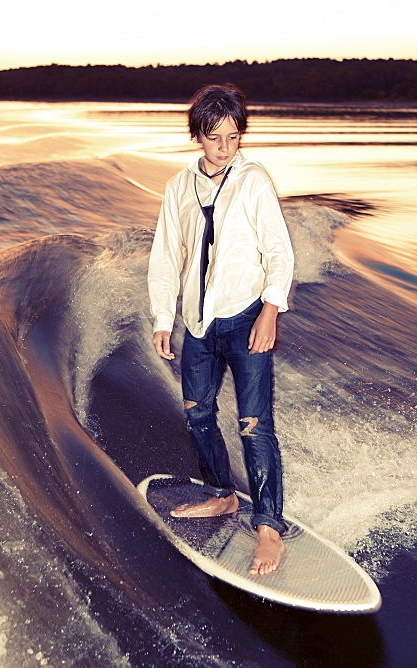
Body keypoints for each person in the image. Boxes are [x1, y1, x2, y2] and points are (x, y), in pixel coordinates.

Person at [148, 83, 295, 576]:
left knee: (254, 425)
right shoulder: (178, 188)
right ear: (198, 136)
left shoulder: (253, 181)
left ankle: (269, 526)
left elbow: (278, 249)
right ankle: (221, 495)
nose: (226, 147)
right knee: (197, 413)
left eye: (234, 137)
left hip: (246, 316)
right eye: (215, 138)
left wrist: (271, 311)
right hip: (197, 324)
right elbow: (167, 256)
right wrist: (162, 318)